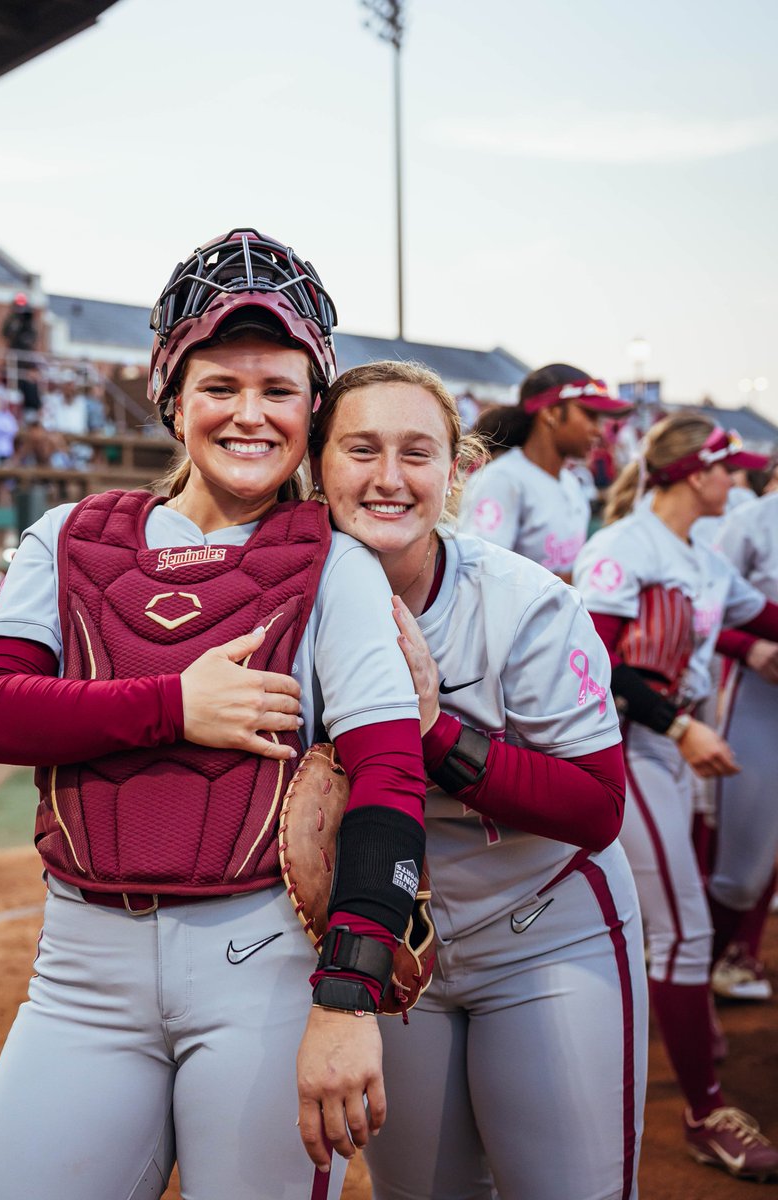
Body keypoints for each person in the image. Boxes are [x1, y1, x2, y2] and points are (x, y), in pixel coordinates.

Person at [0, 230, 427, 1200]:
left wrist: (348, 998)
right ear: (173, 395)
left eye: (279, 390)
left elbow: (389, 777)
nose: (248, 415)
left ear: (313, 406)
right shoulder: (74, 536)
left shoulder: (334, 563)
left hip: (260, 967)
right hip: (81, 974)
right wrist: (174, 705)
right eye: (219, 385)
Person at [310, 360, 648, 1200]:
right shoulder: (287, 602)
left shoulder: (524, 602)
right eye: (361, 449)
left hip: (546, 925)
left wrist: (432, 733)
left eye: (417, 452)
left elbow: (598, 806)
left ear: (457, 470)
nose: (389, 477)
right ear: (316, 464)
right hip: (401, 944)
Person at [573, 414, 778, 1182]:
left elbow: (762, 618)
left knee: (658, 927)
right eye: (730, 470)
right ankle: (703, 1114)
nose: (741, 481)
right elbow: (587, 662)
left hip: (665, 742)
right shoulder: (624, 548)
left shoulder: (696, 555)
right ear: (697, 472)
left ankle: (683, 1040)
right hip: (623, 745)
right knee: (685, 931)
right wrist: (677, 723)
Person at [458, 363, 632, 582]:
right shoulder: (503, 479)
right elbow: (479, 574)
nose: (599, 430)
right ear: (551, 413)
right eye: (590, 415)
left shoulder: (571, 483)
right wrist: (574, 580)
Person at [705, 489, 778, 1001]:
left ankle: (736, 955)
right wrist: (747, 646)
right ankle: (698, 973)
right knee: (740, 871)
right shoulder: (753, 521)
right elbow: (703, 610)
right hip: (758, 701)